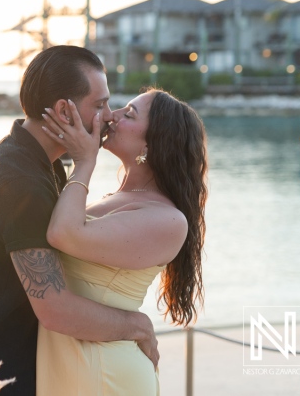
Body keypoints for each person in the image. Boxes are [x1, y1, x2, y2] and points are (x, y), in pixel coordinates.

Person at [0, 45, 159, 395]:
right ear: (63, 110)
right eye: (100, 104)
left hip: (11, 366)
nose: (108, 116)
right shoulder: (20, 180)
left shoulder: (42, 163)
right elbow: (55, 309)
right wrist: (136, 325)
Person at [37, 87, 207, 395]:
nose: (111, 117)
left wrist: (84, 161)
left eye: (128, 114)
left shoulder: (167, 220)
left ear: (154, 144)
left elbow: (62, 234)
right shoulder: (120, 198)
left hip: (103, 373)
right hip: (69, 362)